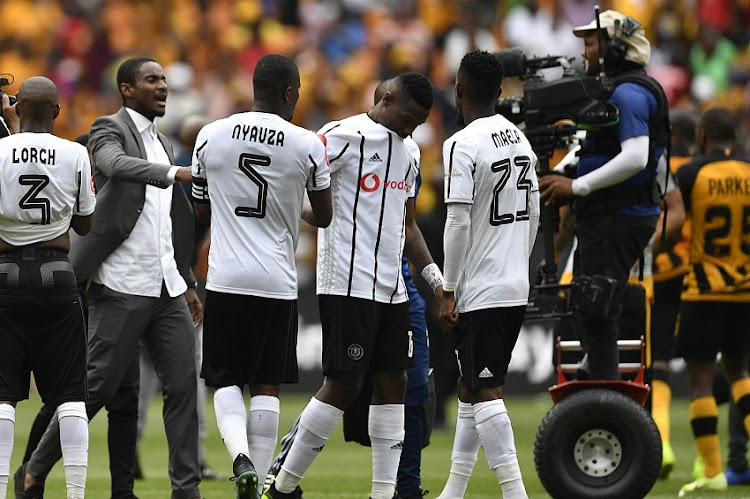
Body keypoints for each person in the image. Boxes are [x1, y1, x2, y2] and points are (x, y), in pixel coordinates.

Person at [16, 57, 204, 499]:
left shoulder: (160, 140)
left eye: (163, 80)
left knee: (182, 390)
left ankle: (187, 490)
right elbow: (115, 165)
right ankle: (35, 469)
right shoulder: (107, 128)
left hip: (166, 290)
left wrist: (188, 281)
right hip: (120, 285)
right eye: (151, 79)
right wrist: (174, 172)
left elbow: (167, 220)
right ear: (127, 89)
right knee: (93, 391)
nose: (162, 86)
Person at [263, 72, 441, 499]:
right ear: (386, 97)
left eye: (417, 123)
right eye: (407, 117)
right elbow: (295, 190)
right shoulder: (338, 136)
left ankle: (382, 494)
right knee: (345, 382)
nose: (409, 128)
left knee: (394, 381)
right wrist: (312, 216)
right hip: (346, 281)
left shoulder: (411, 151)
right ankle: (284, 485)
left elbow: (409, 225)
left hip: (393, 287)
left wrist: (436, 280)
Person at [190, 54, 332, 499]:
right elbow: (323, 216)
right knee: (266, 382)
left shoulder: (210, 134)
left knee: (225, 377)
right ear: (290, 92)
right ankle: (267, 473)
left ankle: (240, 458)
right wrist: (289, 207)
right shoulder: (307, 143)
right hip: (277, 280)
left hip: (226, 277)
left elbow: (198, 204)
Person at [538, 10, 667, 380]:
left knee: (598, 308)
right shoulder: (616, 89)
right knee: (590, 304)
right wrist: (561, 176)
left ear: (615, 47)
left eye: (591, 42)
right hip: (610, 212)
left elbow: (635, 156)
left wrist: (576, 186)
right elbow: (594, 148)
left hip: (619, 214)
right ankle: (595, 371)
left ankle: (603, 391)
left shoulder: (628, 93)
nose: (584, 51)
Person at [434, 50, 539, 499]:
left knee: (486, 391)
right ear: (500, 92)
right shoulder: (521, 140)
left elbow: (457, 220)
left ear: (458, 90)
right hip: (514, 282)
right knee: (469, 385)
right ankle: (454, 492)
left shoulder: (461, 143)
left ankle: (516, 494)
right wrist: (516, 261)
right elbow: (534, 215)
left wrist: (449, 289)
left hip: (480, 287)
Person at [0, 76, 94, 499]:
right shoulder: (76, 153)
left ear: (16, 109)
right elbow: (85, 222)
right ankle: (74, 494)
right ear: (57, 112)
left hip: (6, 275)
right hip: (58, 275)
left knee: (2, 397)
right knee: (71, 395)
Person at [135, 114, 222, 482]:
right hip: (179, 286)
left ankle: (128, 450)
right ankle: (195, 457)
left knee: (138, 376)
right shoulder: (201, 180)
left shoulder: (161, 168)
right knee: (189, 376)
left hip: (139, 281)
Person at [673, 107, 750, 496]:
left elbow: (672, 227)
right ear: (734, 138)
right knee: (739, 374)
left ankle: (715, 472)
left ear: (702, 136)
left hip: (703, 290)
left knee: (701, 380)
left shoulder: (690, 174)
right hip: (745, 291)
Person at [649, 108, 698, 480]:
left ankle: (661, 442)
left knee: (660, 360)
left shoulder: (663, 167)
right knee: (718, 366)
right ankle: (714, 459)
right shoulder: (706, 170)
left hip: (664, 271)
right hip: (705, 275)